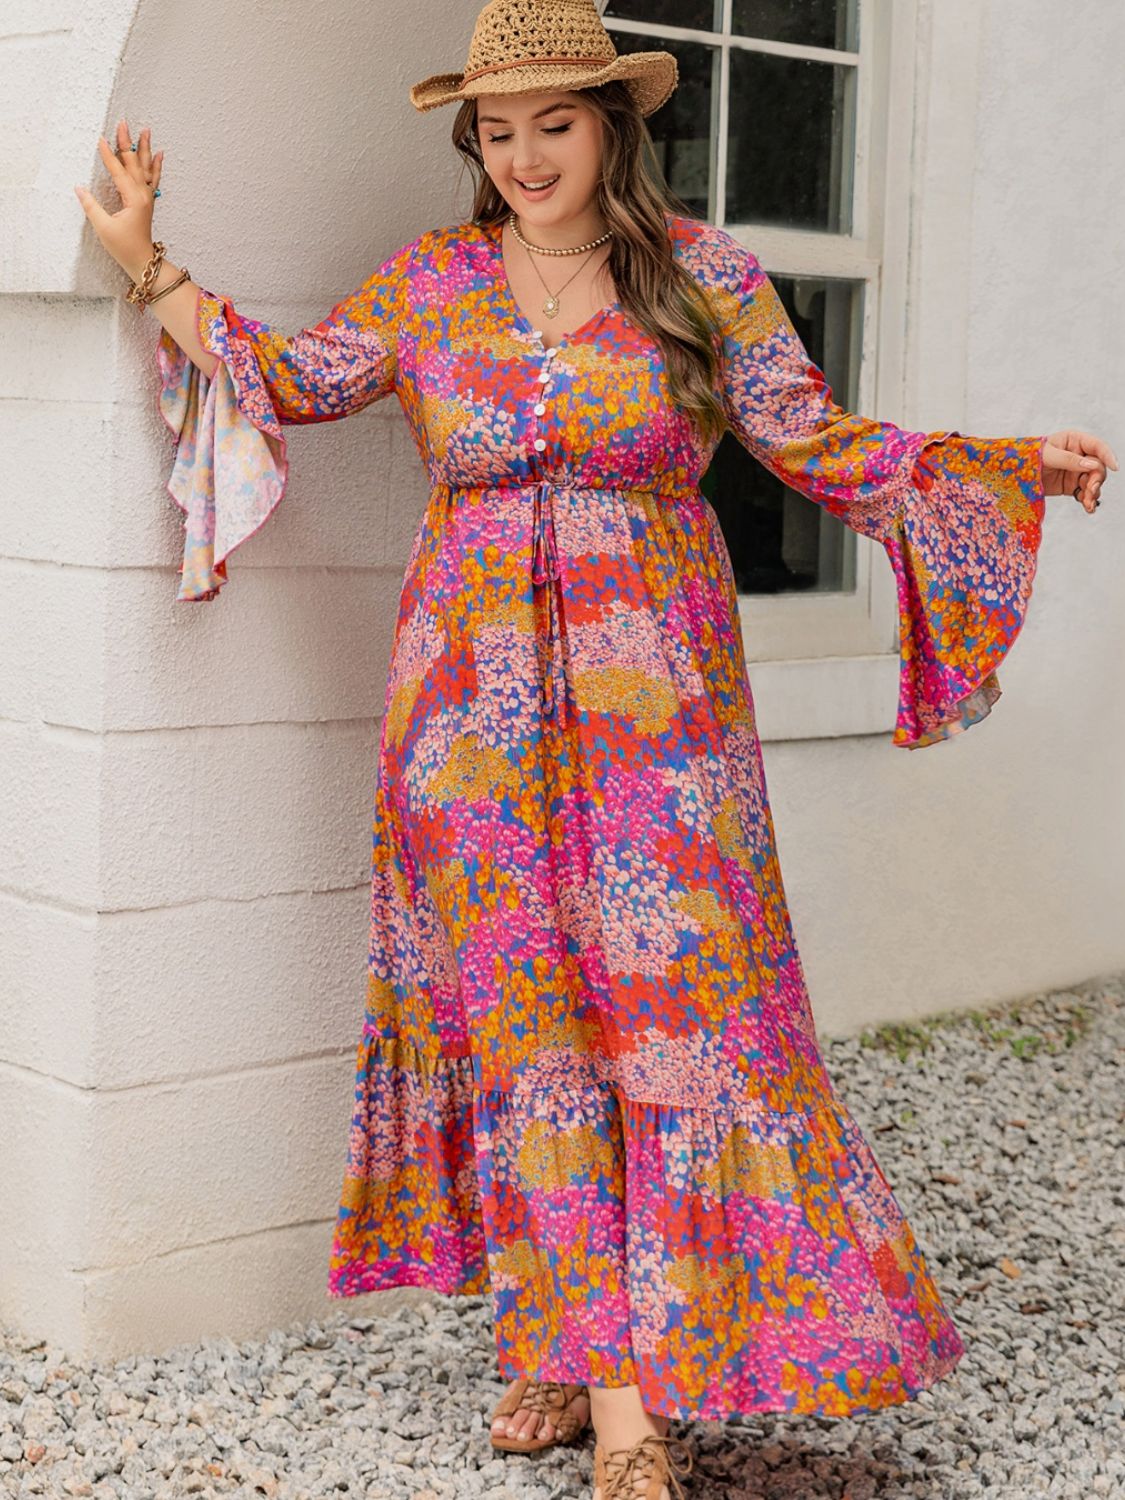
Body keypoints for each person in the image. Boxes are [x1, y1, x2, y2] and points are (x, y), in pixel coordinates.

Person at [75, 2, 1115, 1496]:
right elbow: (289, 378)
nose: (522, 158)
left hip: (662, 726)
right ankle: (597, 1383)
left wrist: (1001, 468)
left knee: (678, 1015)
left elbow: (814, 440)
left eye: (551, 126)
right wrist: (148, 263)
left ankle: (623, 1359)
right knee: (531, 1033)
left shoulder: (703, 278)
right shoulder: (431, 281)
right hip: (467, 727)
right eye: (495, 133)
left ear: (614, 125)